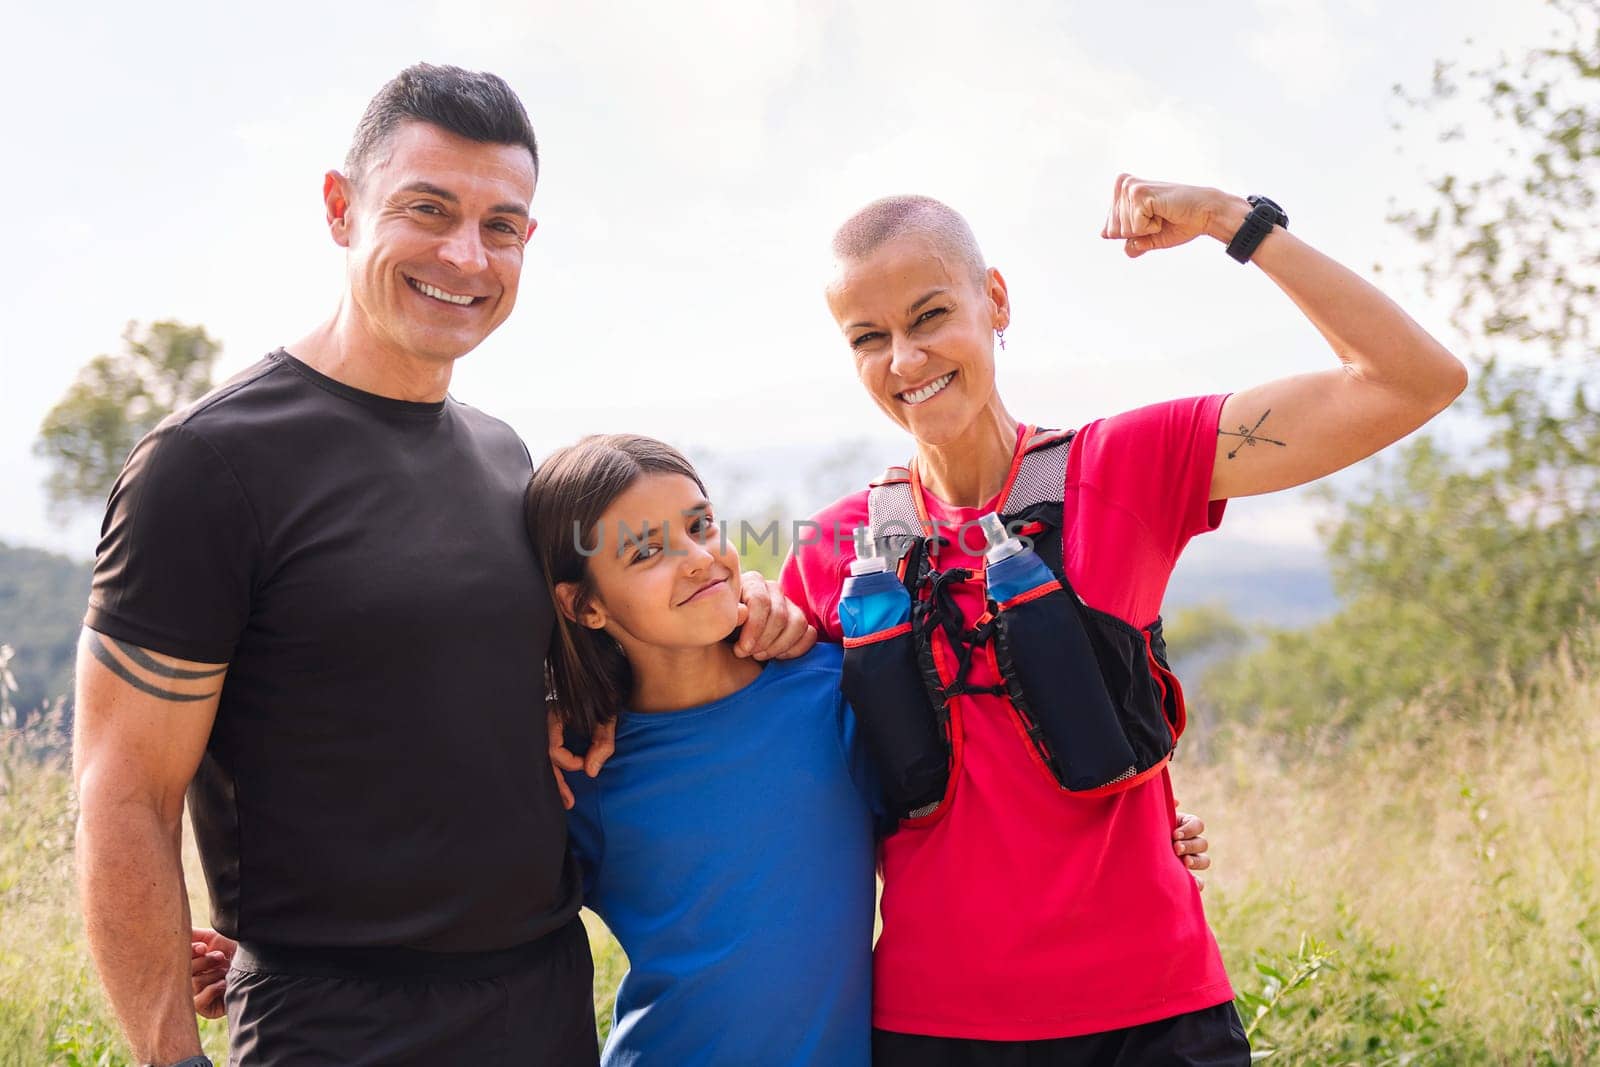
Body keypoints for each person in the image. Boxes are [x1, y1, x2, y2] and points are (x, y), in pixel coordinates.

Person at [73, 64, 813, 1067]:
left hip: (543, 1001)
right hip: (336, 1025)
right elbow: (123, 790)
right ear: (342, 208)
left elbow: (550, 651)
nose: (465, 255)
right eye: (427, 210)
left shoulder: (504, 456)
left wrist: (746, 611)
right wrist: (171, 1052)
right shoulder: (207, 466)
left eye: (499, 225)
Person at [188, 432, 1214, 1064]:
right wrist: (290, 961)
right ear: (581, 604)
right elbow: (461, 901)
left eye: (700, 524)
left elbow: (972, 790)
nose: (699, 557)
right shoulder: (580, 765)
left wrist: (1146, 828)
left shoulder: (830, 687)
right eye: (647, 550)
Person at [776, 183, 1468, 1064]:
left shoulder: (1125, 468)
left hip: (1156, 1017)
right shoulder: (833, 551)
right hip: (936, 1027)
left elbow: (1411, 380)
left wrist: (1233, 221)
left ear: (995, 299)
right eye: (869, 338)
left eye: (929, 315)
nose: (906, 359)